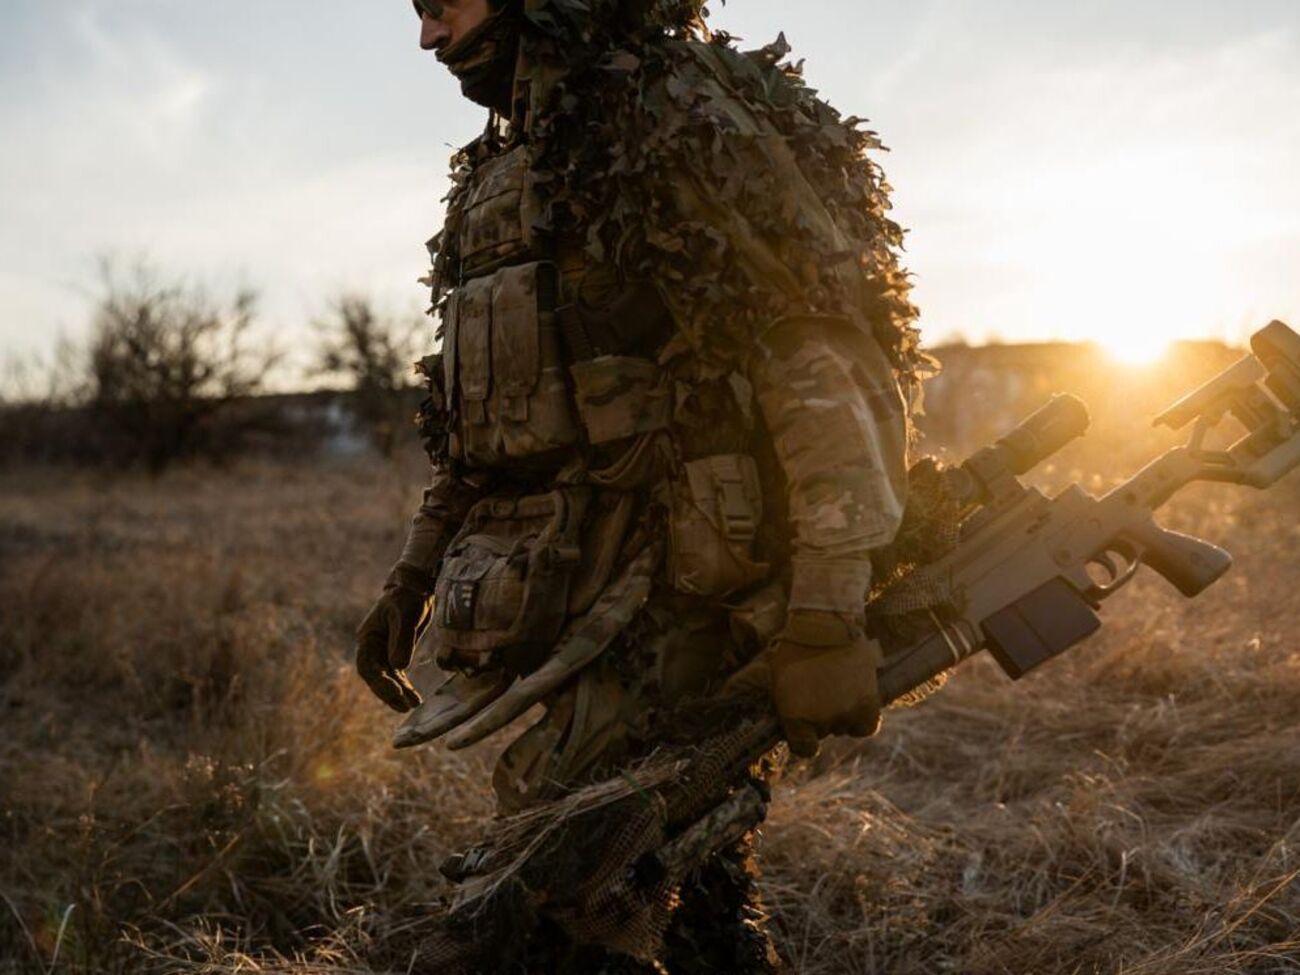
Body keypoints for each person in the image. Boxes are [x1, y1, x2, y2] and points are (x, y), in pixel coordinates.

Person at [354, 0, 928, 969]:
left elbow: (813, 351)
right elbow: (477, 429)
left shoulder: (662, 116)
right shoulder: (503, 166)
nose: (429, 37)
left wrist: (827, 608)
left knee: (563, 890)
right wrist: (407, 581)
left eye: (444, 0)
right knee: (659, 868)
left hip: (680, 591)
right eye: (415, 10)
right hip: (557, 596)